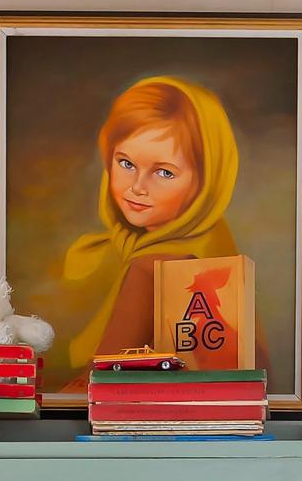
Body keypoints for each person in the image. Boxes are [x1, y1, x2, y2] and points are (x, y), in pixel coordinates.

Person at [56, 76, 264, 392]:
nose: (137, 187)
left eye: (164, 172)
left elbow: (93, 391)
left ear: (205, 180)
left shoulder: (157, 265)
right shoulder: (209, 239)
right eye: (126, 163)